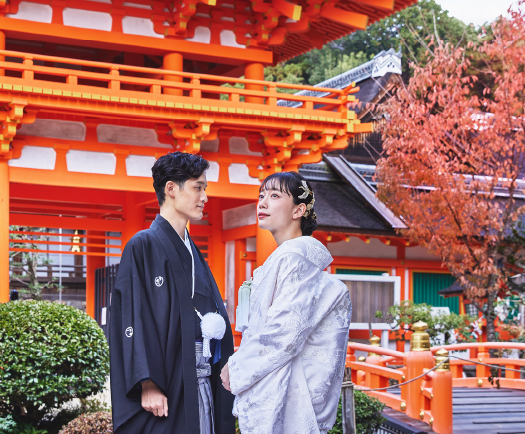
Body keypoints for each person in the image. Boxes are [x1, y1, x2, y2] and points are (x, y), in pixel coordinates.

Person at [108, 151, 235, 434]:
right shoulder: (142, 244)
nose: (204, 197)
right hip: (167, 378)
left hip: (201, 377)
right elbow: (131, 315)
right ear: (171, 189)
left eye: (205, 189)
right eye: (198, 188)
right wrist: (147, 382)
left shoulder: (193, 251)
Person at [221, 171, 352, 434]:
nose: (262, 202)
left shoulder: (295, 257)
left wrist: (236, 367)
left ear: (298, 210)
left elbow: (285, 331)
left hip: (289, 396)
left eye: (274, 195)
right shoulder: (288, 257)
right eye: (261, 195)